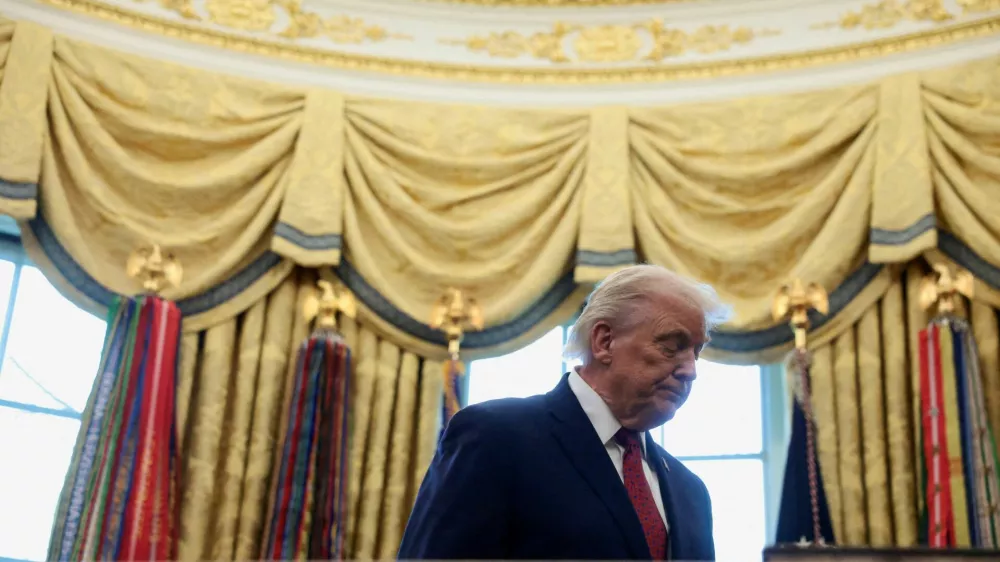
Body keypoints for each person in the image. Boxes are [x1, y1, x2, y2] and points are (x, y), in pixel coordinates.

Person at [397, 264, 731, 561]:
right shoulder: (495, 438)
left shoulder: (691, 492)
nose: (690, 371)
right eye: (671, 346)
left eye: (696, 353)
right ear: (604, 341)